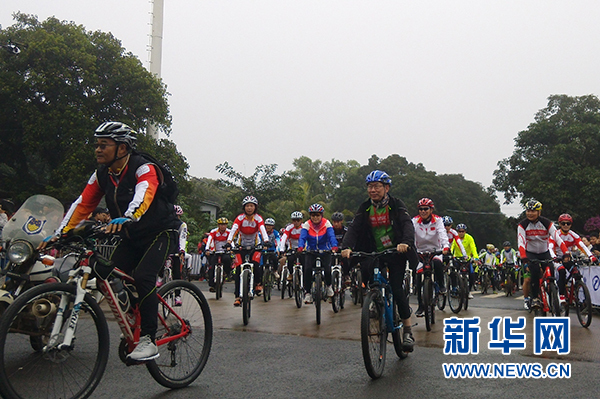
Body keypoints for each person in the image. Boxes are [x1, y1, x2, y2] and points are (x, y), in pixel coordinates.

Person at [39, 121, 180, 362]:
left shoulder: (143, 167)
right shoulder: (102, 174)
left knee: (144, 277)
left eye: (104, 145)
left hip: (161, 232)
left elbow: (144, 194)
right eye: (97, 144)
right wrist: (61, 233)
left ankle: (148, 339)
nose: (97, 149)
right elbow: (83, 204)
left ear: (123, 148)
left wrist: (126, 217)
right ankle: (142, 312)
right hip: (130, 235)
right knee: (107, 272)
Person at [341, 170, 415, 351]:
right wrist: (346, 246)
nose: (372, 190)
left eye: (377, 186)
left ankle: (407, 330)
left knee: (397, 289)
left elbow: (407, 224)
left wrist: (405, 243)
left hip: (396, 252)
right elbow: (354, 228)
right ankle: (375, 300)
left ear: (386, 188)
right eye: (369, 187)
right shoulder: (365, 207)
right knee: (369, 276)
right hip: (374, 251)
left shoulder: (396, 205)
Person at [517, 199, 569, 310]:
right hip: (530, 254)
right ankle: (535, 297)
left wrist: (566, 252)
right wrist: (523, 256)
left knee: (551, 273)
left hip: (544, 253)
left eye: (533, 211)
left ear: (539, 212)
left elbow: (557, 238)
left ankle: (554, 295)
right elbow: (521, 242)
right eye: (528, 211)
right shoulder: (522, 225)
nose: (530, 213)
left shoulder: (546, 223)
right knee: (535, 274)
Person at [227, 196, 269, 306]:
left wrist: (266, 240)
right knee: (238, 270)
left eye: (251, 206)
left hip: (255, 245)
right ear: (244, 207)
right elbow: (234, 229)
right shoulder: (240, 218)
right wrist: (229, 241)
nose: (249, 208)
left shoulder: (258, 218)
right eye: (247, 206)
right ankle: (237, 296)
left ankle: (258, 284)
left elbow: (263, 230)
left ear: (255, 207)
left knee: (256, 265)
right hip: (241, 246)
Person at [412, 197, 450, 317]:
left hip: (436, 251)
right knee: (418, 276)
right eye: (421, 209)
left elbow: (442, 233)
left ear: (431, 209)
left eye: (426, 209)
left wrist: (445, 247)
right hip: (420, 251)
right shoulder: (414, 221)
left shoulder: (438, 220)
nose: (423, 211)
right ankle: (420, 306)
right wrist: (410, 248)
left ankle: (441, 285)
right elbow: (410, 235)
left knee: (437, 263)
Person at [549, 213, 597, 305]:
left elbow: (582, 246)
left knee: (576, 273)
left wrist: (591, 256)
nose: (566, 225)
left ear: (571, 224)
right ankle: (562, 295)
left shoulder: (573, 235)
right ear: (560, 224)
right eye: (563, 223)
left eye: (568, 223)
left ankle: (576, 293)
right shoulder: (555, 234)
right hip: (557, 258)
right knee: (562, 271)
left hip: (567, 258)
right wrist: (554, 257)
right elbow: (550, 247)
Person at [297, 203, 338, 304]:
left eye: (318, 215)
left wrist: (334, 246)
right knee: (307, 269)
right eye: (313, 215)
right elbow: (302, 237)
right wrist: (301, 247)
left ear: (322, 215)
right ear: (310, 216)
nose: (315, 217)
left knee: (328, 269)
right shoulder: (307, 225)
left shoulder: (326, 223)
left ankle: (329, 286)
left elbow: (331, 236)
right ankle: (308, 293)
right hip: (311, 251)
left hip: (325, 250)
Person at [451, 223, 479, 299]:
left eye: (463, 231)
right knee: (454, 272)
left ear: (465, 231)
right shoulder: (455, 238)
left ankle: (469, 291)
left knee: (472, 273)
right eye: (459, 231)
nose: (461, 233)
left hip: (467, 259)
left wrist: (476, 258)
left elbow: (473, 248)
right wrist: (451, 255)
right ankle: (455, 287)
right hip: (457, 258)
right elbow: (452, 247)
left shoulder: (469, 238)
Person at [205, 217, 232, 292]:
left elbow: (231, 240)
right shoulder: (214, 231)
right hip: (215, 252)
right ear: (218, 225)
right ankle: (212, 285)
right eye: (221, 225)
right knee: (211, 267)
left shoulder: (229, 232)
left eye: (224, 225)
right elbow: (209, 240)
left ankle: (227, 273)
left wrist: (231, 248)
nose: (223, 226)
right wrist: (207, 249)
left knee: (227, 260)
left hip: (225, 252)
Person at [278, 211, 304, 280]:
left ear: (301, 220)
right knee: (290, 260)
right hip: (292, 248)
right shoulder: (289, 228)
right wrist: (281, 249)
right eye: (294, 220)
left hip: (303, 248)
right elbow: (283, 238)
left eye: (298, 220)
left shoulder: (304, 227)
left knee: (305, 262)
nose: (296, 222)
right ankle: (291, 274)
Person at [331, 211, 350, 284]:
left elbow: (349, 240)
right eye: (334, 222)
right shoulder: (330, 230)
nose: (336, 224)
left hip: (343, 249)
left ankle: (346, 275)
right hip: (333, 250)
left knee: (345, 260)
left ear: (341, 221)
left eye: (338, 222)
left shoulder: (346, 230)